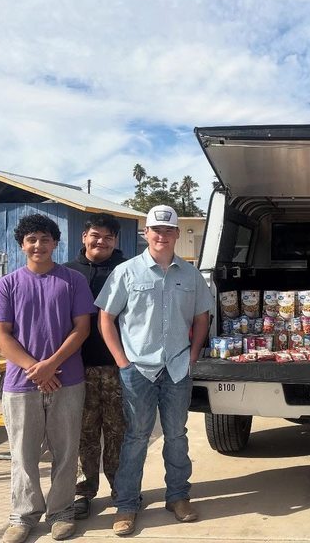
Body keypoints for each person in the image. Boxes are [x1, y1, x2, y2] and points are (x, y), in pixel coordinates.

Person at [96, 205, 212, 536]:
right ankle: (127, 505)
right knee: (135, 437)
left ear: (177, 234)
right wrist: (122, 361)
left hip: (177, 369)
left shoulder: (191, 276)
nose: (162, 236)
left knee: (176, 435)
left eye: (168, 230)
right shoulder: (127, 272)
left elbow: (202, 317)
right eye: (155, 230)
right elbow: (106, 317)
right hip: (138, 370)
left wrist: (192, 356)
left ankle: (178, 497)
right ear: (146, 233)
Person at [0, 214, 96, 543]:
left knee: (66, 450)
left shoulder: (73, 281)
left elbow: (82, 328)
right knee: (23, 452)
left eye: (45, 239)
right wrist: (36, 368)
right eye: (32, 239)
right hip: (21, 384)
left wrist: (52, 364)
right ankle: (23, 515)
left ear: (55, 244)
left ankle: (61, 511)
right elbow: (0, 335)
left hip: (68, 379)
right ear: (22, 245)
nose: (38, 245)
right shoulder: (6, 284)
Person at [64, 213, 128, 520]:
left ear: (116, 241)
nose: (100, 241)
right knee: (84, 433)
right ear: (83, 237)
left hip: (118, 366)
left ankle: (122, 489)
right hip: (78, 368)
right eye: (95, 235)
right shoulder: (66, 273)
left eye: (108, 237)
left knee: (118, 431)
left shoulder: (127, 270)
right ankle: (83, 492)